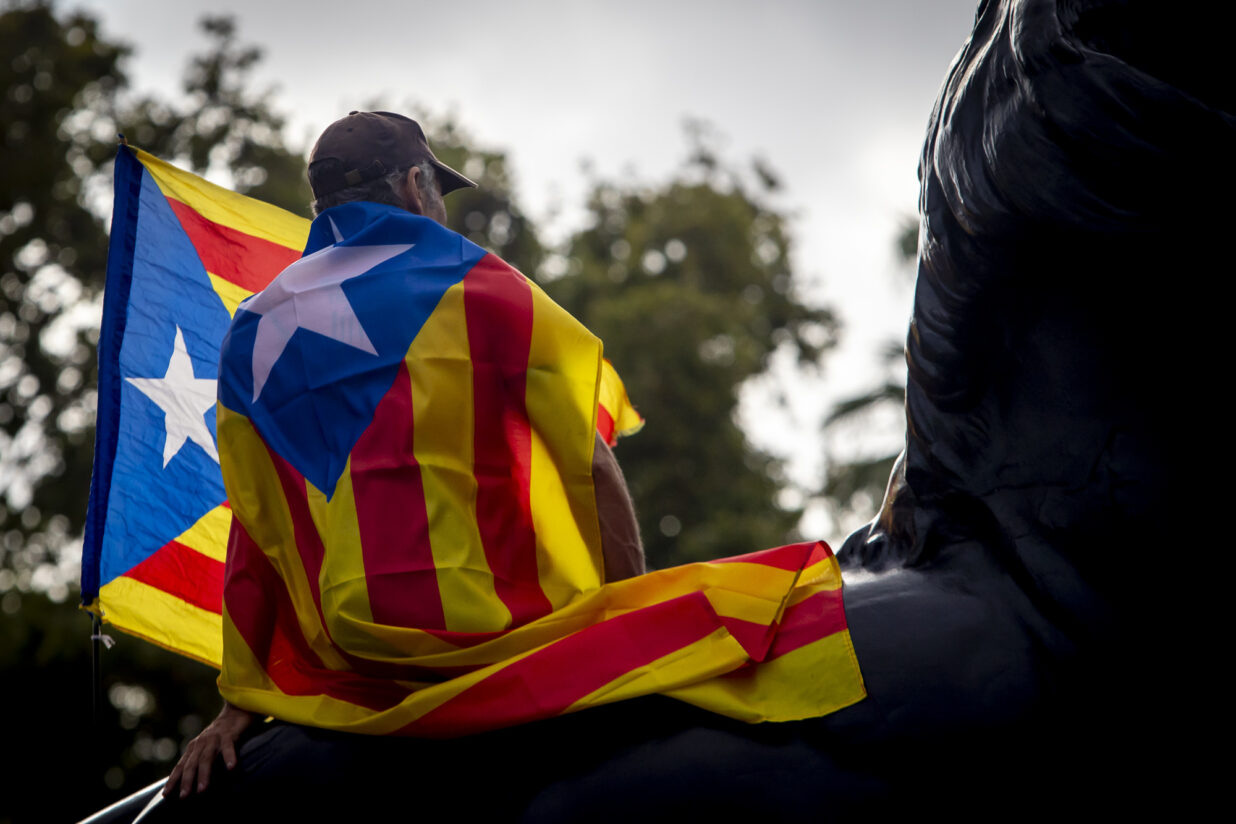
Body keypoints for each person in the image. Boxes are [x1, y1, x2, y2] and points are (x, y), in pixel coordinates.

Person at [164, 111, 644, 800]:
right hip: (504, 644)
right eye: (437, 190)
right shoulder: (485, 285)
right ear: (416, 185)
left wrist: (239, 697)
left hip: (356, 667)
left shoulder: (253, 328)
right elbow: (589, 465)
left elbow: (259, 521)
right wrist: (630, 628)